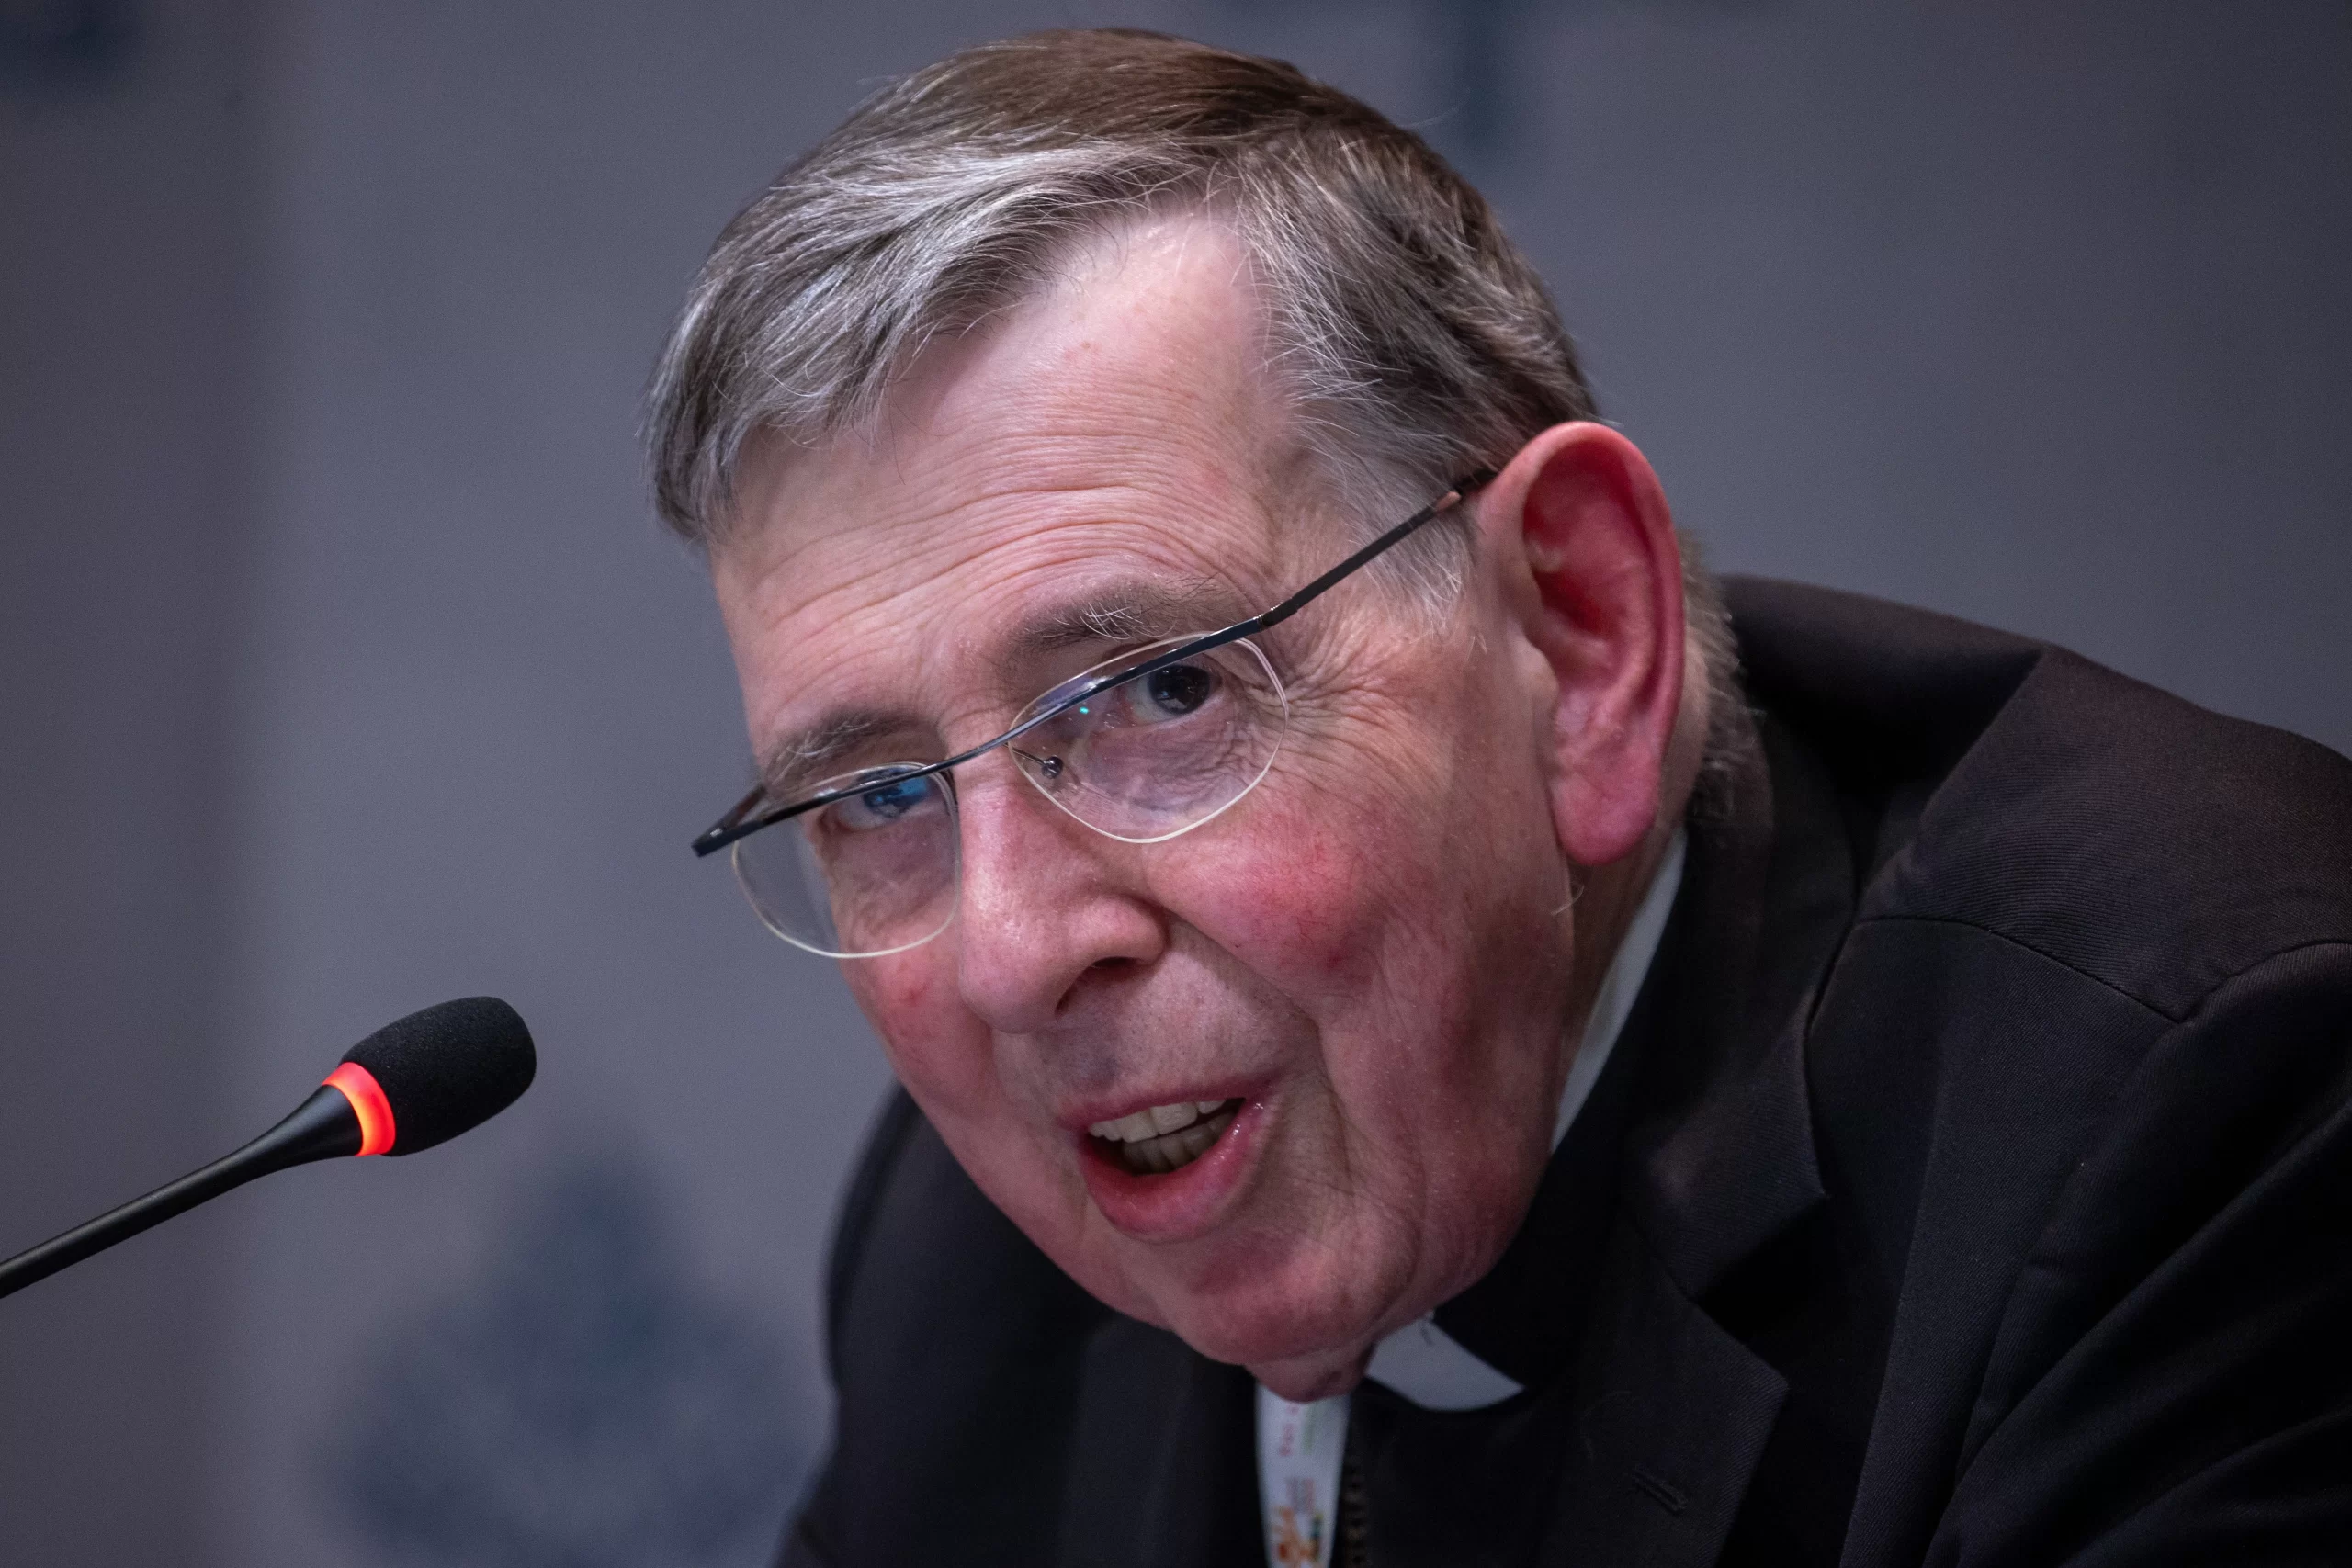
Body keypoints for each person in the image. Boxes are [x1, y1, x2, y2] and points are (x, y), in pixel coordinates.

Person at [644, 29, 2352, 1568]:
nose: (1016, 953)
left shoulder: (2198, 1107)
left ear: (1580, 635)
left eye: (1162, 691)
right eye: (875, 798)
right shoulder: (966, 1277)